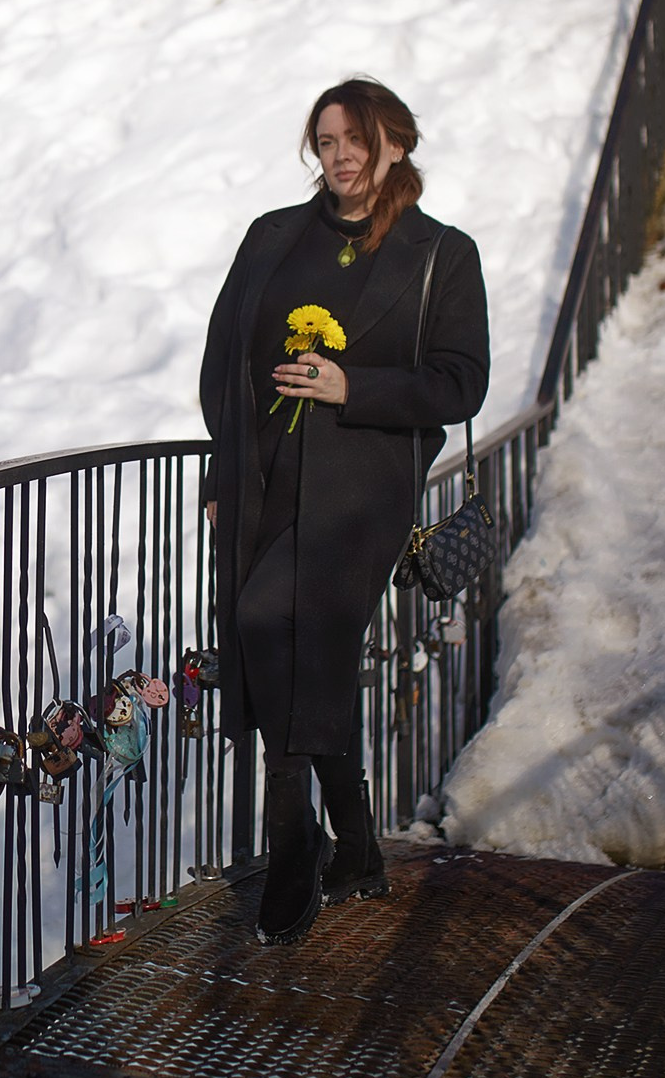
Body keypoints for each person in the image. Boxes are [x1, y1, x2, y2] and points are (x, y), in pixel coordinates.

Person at [197, 78, 489, 945]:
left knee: (267, 620)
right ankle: (355, 846)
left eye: (357, 138)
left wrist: (350, 384)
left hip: (363, 489)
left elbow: (460, 382)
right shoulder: (274, 239)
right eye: (326, 142)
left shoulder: (444, 253)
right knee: (301, 646)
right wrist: (225, 468)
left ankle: (293, 839)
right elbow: (225, 360)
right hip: (269, 479)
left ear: (395, 142)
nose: (342, 155)